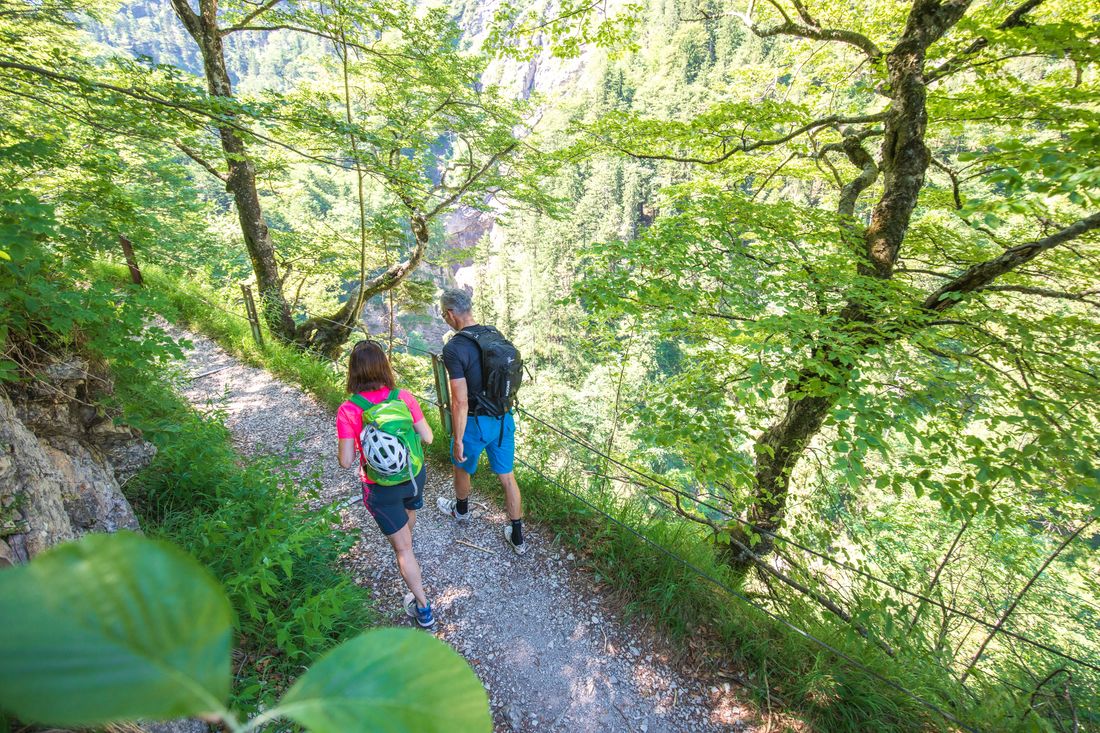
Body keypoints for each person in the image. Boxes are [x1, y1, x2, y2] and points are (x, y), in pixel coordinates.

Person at [336, 339, 436, 627]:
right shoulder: (403, 397)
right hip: (413, 477)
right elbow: (428, 437)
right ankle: (406, 543)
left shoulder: (348, 410)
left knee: (403, 549)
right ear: (384, 366)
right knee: (407, 530)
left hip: (380, 486)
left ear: (353, 372)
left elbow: (345, 461)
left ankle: (423, 607)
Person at [436, 287, 526, 554]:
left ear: (451, 313)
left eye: (443, 315)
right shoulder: (493, 333)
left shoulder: (454, 348)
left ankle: (461, 511)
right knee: (507, 477)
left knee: (461, 466)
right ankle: (518, 537)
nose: (445, 319)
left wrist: (459, 439)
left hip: (474, 422)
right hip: (502, 417)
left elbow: (459, 401)